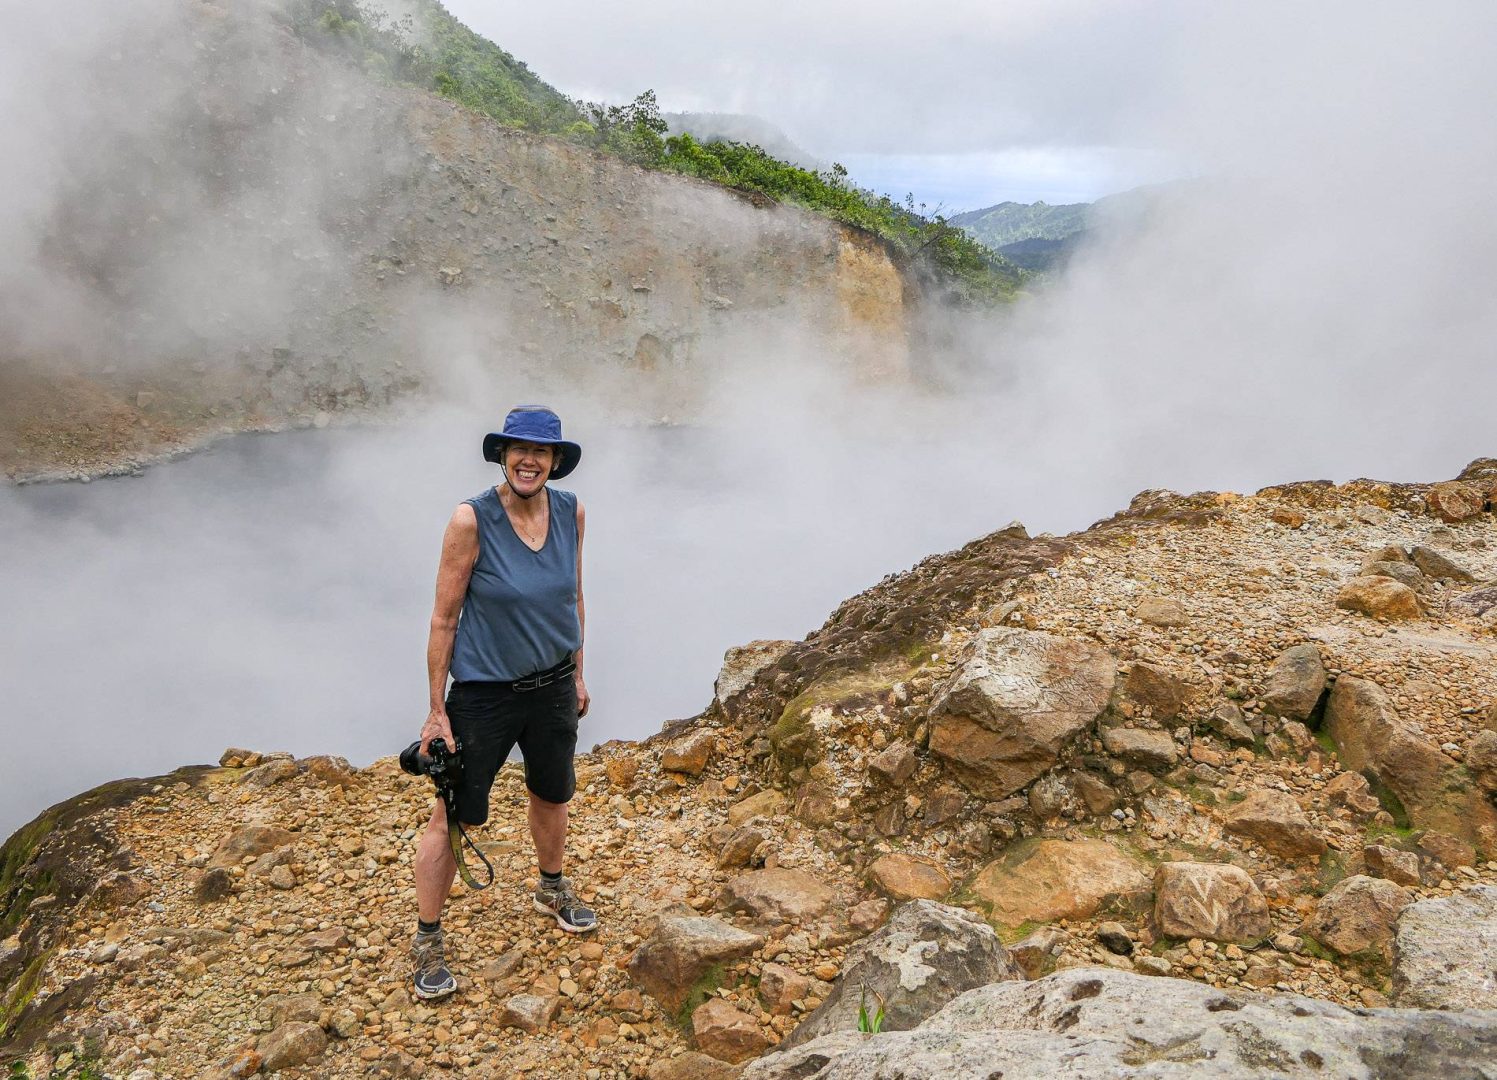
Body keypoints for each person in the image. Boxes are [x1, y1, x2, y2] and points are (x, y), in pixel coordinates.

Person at [410, 405, 596, 1001]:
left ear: (555, 462)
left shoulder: (572, 511)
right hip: (485, 694)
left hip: (552, 688)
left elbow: (573, 598)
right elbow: (444, 619)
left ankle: (551, 886)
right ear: (502, 455)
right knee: (453, 813)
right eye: (519, 449)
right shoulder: (472, 520)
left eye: (541, 452)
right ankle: (427, 939)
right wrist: (437, 711)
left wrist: (578, 674)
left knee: (551, 789)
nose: (529, 460)